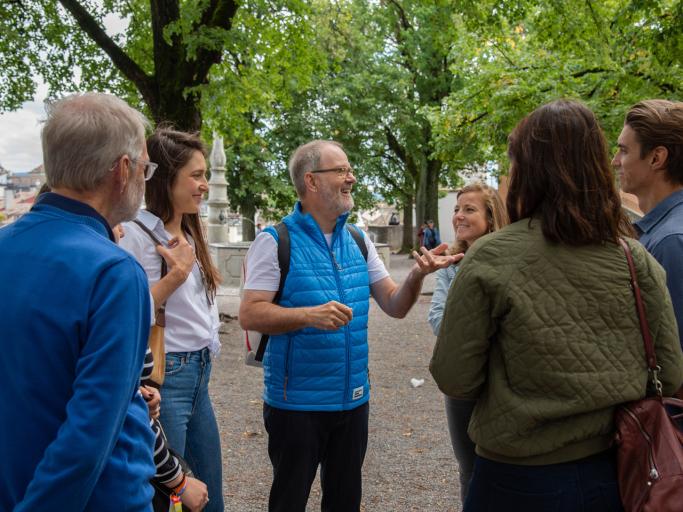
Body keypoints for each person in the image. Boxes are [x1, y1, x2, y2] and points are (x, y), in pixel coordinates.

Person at [430, 100, 683, 511]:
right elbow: (669, 374)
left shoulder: (492, 257)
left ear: (527, 170)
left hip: (515, 477)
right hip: (613, 472)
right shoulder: (635, 259)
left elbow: (454, 376)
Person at [239, 140, 458, 512]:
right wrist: (309, 315)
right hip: (296, 406)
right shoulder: (276, 241)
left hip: (353, 401)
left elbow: (394, 304)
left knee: (345, 503)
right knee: (288, 502)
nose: (351, 178)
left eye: (349, 169)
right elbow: (250, 313)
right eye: (341, 170)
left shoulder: (359, 240)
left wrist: (418, 275)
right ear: (311, 181)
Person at [0, 92, 156, 510]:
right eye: (146, 166)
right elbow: (88, 437)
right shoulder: (114, 273)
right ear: (123, 170)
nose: (146, 178)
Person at [119, 128, 223, 512]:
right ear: (165, 179)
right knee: (172, 497)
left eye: (204, 175)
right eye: (195, 175)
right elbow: (126, 312)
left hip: (199, 375)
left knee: (210, 496)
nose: (204, 185)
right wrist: (176, 276)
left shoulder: (189, 229)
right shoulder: (135, 233)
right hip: (168, 377)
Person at [427, 182, 508, 504]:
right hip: (462, 384)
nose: (459, 215)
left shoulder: (507, 258)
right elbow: (437, 321)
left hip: (502, 380)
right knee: (469, 468)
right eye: (458, 209)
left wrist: (466, 329)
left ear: (492, 216)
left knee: (505, 466)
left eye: (469, 209)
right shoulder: (451, 261)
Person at [613, 100, 683, 351]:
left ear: (656, 158)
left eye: (623, 151)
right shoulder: (662, 233)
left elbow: (672, 350)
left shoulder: (670, 241)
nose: (615, 162)